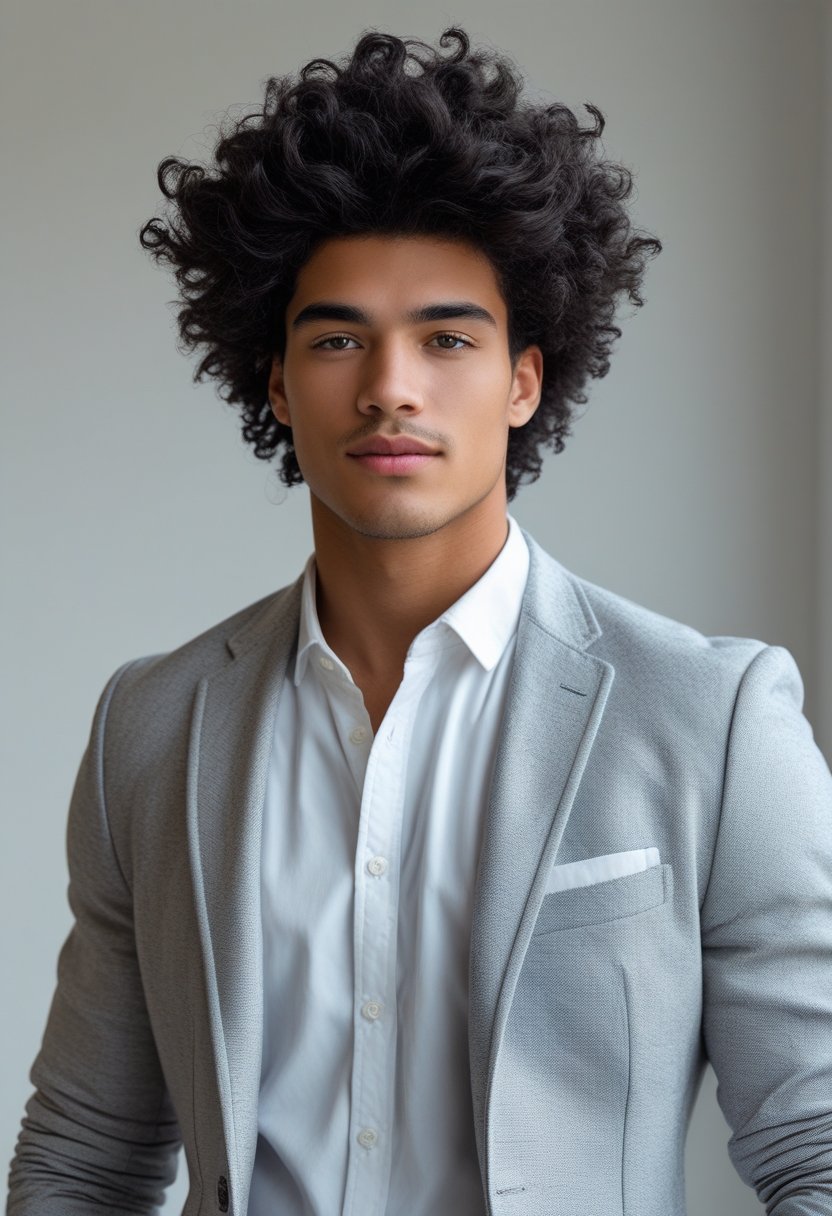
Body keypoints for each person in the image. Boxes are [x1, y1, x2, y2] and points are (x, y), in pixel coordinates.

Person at [7, 25, 832, 1216]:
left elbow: (816, 1140)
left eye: (448, 338)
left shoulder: (710, 718)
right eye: (338, 337)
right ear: (277, 381)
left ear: (524, 379)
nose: (390, 383)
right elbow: (84, 1155)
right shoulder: (155, 725)